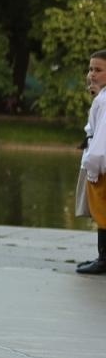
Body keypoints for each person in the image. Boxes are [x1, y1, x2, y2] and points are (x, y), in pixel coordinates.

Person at [74, 50, 106, 275]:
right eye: (90, 69)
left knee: (102, 212)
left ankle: (103, 259)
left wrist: (93, 169)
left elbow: (101, 139)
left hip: (100, 167)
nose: (91, 75)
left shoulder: (104, 101)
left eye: (98, 70)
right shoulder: (101, 98)